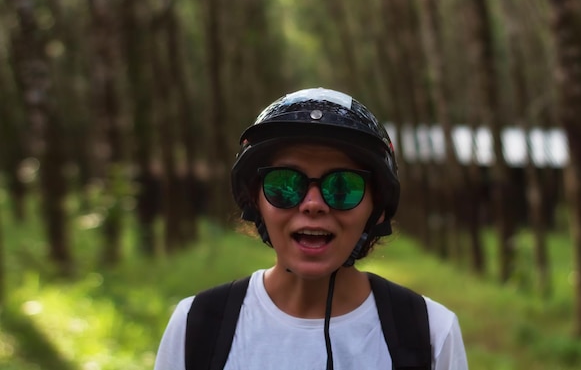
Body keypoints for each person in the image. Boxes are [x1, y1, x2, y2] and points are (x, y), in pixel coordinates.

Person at [154, 88, 468, 370]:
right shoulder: (197, 326)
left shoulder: (430, 332)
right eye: (285, 184)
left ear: (377, 208)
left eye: (343, 186)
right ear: (255, 202)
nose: (313, 204)